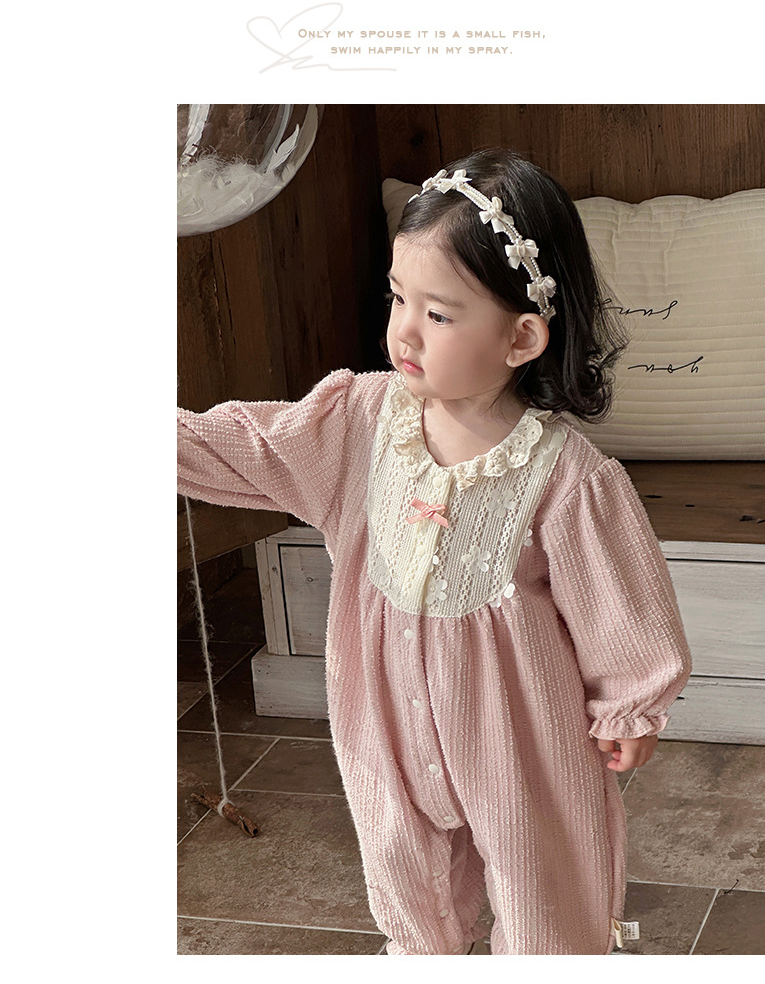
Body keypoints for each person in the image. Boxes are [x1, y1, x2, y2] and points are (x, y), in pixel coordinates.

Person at [177, 148, 692, 955]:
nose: (404, 330)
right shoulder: (357, 421)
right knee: (407, 883)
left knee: (545, 893)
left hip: (521, 744)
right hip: (381, 727)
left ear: (521, 337)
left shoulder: (568, 478)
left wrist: (630, 703)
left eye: (439, 314)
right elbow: (250, 443)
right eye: (397, 297)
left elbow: (620, 605)